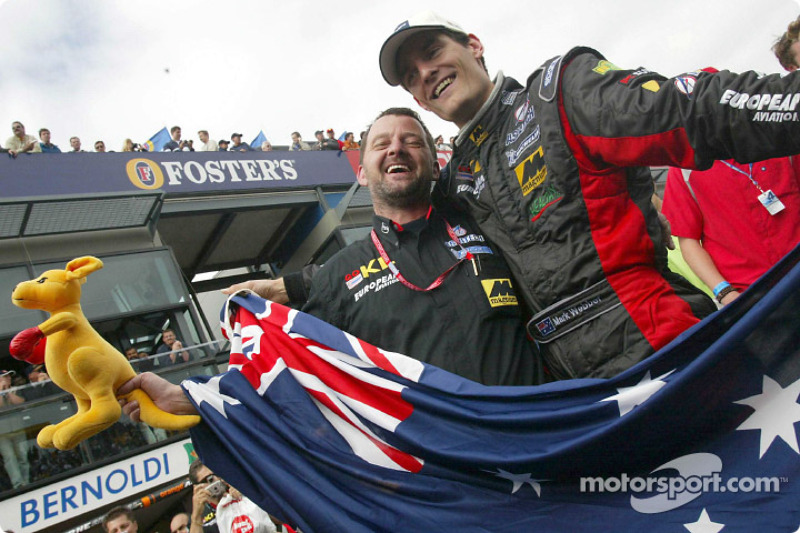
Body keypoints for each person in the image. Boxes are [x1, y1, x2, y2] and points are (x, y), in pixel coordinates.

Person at [376, 10, 800, 379]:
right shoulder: (453, 188)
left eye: (431, 52)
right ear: (418, 100)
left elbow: (693, 110)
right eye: (411, 76)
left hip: (668, 350)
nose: (425, 73)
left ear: (474, 45)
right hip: (576, 400)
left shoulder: (557, 94)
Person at [227, 108, 539, 386]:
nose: (396, 149)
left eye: (412, 141)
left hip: (541, 436)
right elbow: (294, 373)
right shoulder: (337, 277)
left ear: (434, 167)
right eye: (381, 144)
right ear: (361, 173)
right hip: (435, 449)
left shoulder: (486, 224)